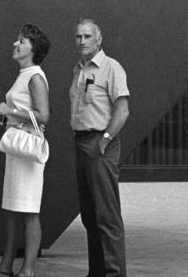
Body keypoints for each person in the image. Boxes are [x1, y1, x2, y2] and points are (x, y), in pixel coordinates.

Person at [0, 25, 52, 277]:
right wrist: (8, 116)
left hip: (27, 152)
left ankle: (28, 271)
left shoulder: (34, 76)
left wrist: (9, 112)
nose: (16, 44)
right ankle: (6, 267)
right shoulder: (25, 74)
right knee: (13, 210)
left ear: (33, 49)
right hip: (17, 149)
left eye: (22, 41)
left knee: (29, 211)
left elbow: (44, 115)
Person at [69, 19, 129, 277]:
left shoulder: (111, 67)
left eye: (87, 36)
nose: (82, 41)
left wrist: (105, 139)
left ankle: (114, 273)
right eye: (78, 37)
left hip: (99, 143)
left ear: (99, 39)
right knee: (90, 216)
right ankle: (97, 272)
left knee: (107, 216)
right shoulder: (78, 70)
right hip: (81, 142)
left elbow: (123, 109)